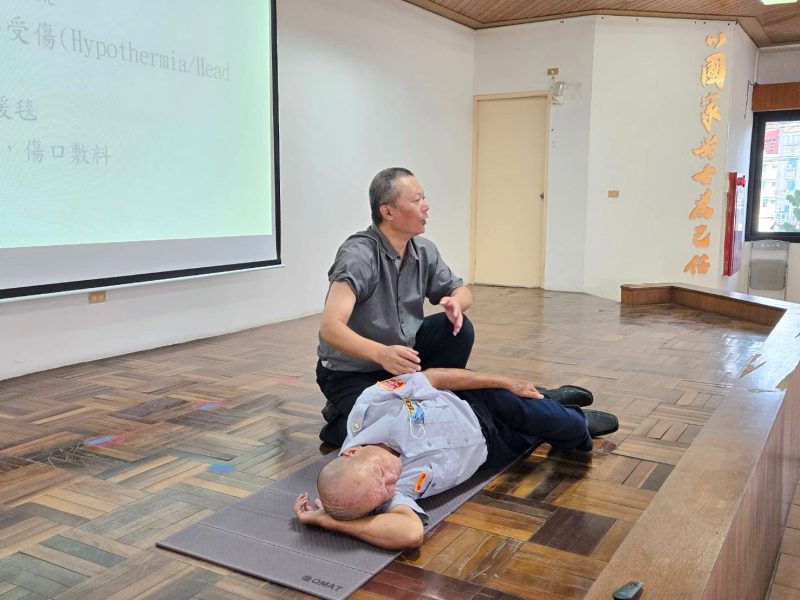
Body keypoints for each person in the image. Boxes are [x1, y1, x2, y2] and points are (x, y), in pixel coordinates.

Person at [295, 368, 618, 550]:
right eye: (386, 490)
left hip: (480, 404)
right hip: (494, 449)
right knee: (547, 428)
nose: (394, 478)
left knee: (571, 430)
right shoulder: (386, 492)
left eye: (381, 473)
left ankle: (561, 412)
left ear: (352, 452)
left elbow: (435, 378)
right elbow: (410, 534)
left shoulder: (371, 405)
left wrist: (504, 381)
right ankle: (551, 403)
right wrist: (328, 521)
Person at [316, 167, 478, 447]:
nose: (426, 206)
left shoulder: (423, 249)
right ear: (387, 211)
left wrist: (456, 302)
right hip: (353, 371)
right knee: (399, 427)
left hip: (401, 360)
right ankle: (341, 422)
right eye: (416, 200)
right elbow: (330, 328)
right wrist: (381, 353)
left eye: (424, 198)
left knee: (457, 329)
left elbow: (462, 292)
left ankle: (424, 395)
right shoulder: (359, 255)